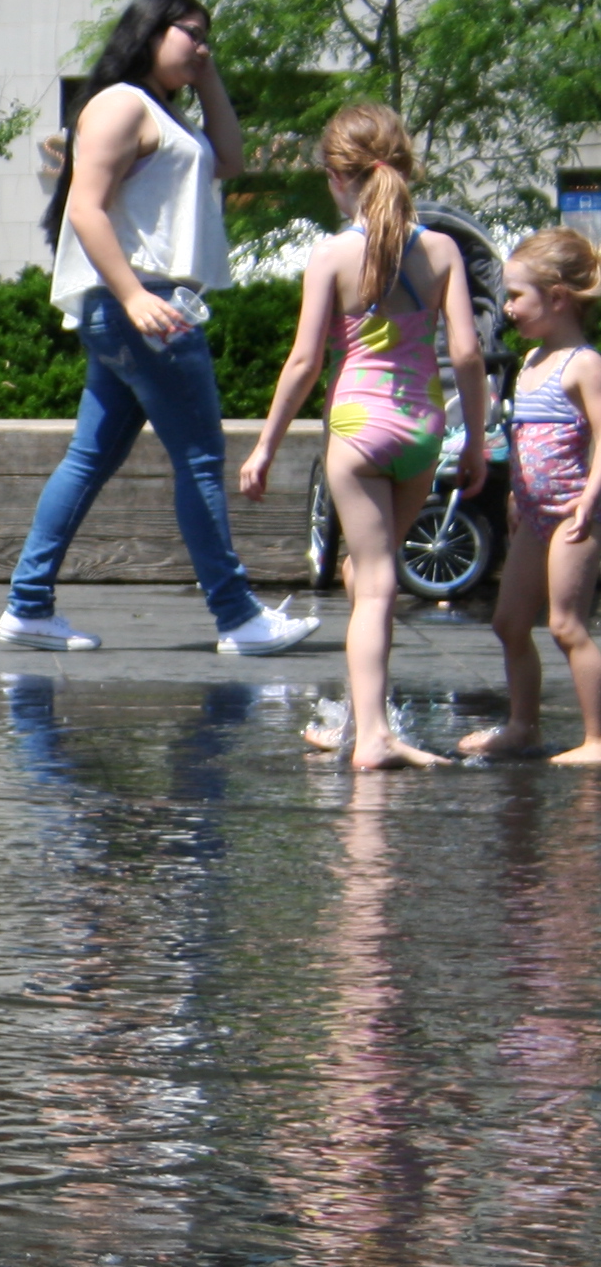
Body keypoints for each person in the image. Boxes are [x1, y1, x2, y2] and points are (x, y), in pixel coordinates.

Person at [2, 0, 314, 660]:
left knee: (90, 457)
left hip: (135, 306)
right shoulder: (121, 104)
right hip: (143, 302)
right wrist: (134, 296)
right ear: (150, 31)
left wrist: (207, 75)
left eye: (207, 36)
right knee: (199, 457)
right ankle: (237, 616)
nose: (203, 45)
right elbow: (85, 208)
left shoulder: (163, 112)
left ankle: (28, 605)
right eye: (191, 33)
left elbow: (229, 159)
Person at [236, 106, 488, 770]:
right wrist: (474, 440)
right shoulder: (442, 251)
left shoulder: (331, 255)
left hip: (357, 429)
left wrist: (265, 446)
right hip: (421, 429)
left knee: (371, 583)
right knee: (367, 572)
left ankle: (372, 735)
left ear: (335, 177)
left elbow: (304, 362)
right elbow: (466, 354)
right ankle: (360, 717)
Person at [463, 230, 601, 763]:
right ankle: (523, 727)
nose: (507, 307)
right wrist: (515, 498)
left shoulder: (583, 364)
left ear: (558, 297)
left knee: (566, 625)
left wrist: (590, 497)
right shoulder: (531, 361)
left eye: (517, 296)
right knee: (509, 623)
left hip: (574, 516)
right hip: (534, 515)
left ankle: (596, 739)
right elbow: (522, 439)